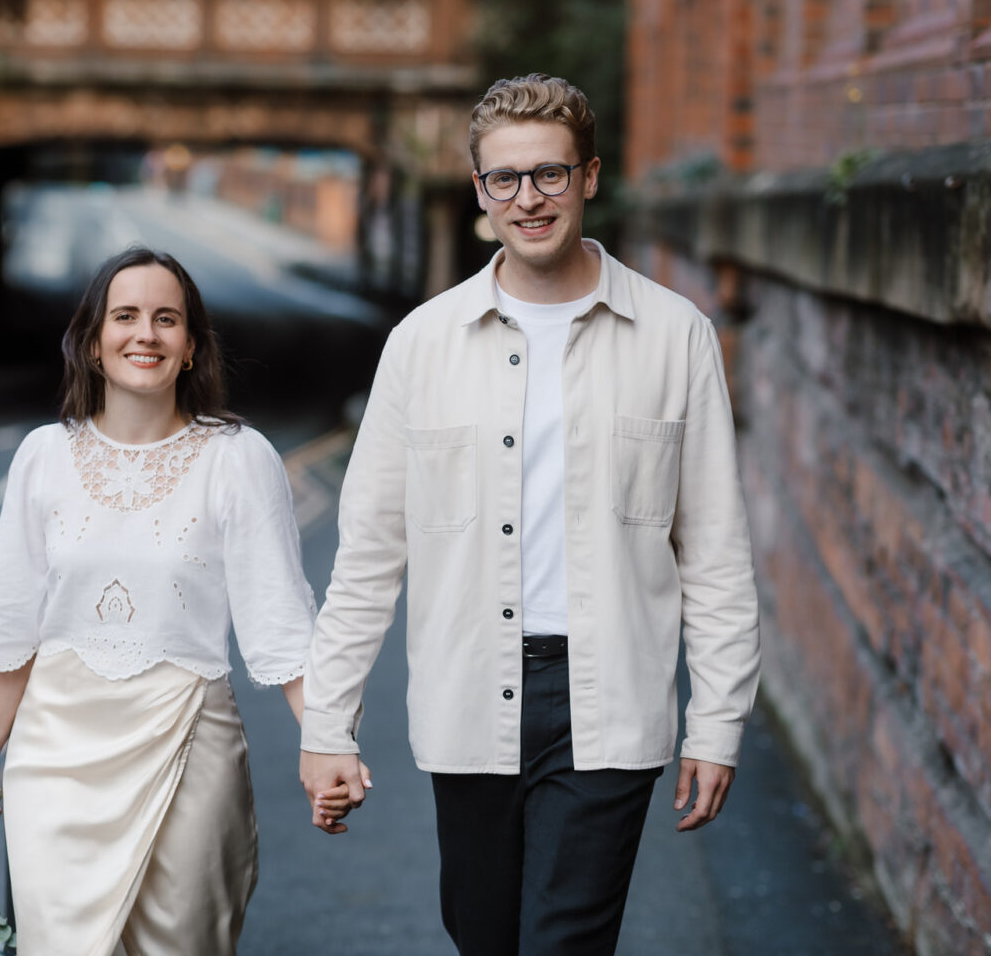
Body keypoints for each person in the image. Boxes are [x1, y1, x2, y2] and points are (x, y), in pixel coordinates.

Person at [298, 74, 761, 954]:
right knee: (484, 938)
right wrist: (328, 723)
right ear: (479, 190)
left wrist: (717, 724)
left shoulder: (675, 336)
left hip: (609, 698)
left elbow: (714, 551)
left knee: (563, 945)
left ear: (589, 176)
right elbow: (369, 553)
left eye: (549, 174)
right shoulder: (422, 345)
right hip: (467, 693)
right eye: (505, 179)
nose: (528, 199)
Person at [0, 246, 361, 956]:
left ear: (192, 348)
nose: (146, 334)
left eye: (166, 319)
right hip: (55, 762)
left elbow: (283, 628)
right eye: (127, 317)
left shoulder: (239, 459)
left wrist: (328, 741)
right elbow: (12, 633)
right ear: (93, 342)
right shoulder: (43, 457)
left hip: (189, 749)